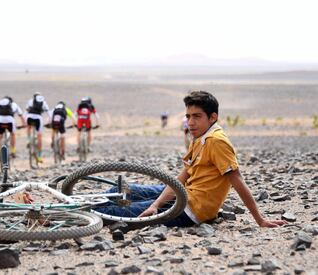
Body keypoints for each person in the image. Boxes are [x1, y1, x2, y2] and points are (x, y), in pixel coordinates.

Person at [95, 91, 288, 228]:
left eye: (197, 116)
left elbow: (237, 181)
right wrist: (156, 204)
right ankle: (75, 204)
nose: (191, 122)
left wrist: (260, 219)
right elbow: (183, 176)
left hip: (191, 210)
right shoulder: (199, 137)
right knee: (120, 190)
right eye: (188, 116)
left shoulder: (216, 141)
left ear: (212, 117)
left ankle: (76, 215)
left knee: (112, 212)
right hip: (184, 195)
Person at [25, 93, 50, 163]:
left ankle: (28, 140)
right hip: (38, 118)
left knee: (28, 127)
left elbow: (26, 111)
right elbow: (48, 112)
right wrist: (49, 121)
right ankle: (39, 156)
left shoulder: (30, 101)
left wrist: (24, 122)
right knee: (39, 136)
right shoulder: (43, 102)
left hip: (29, 117)